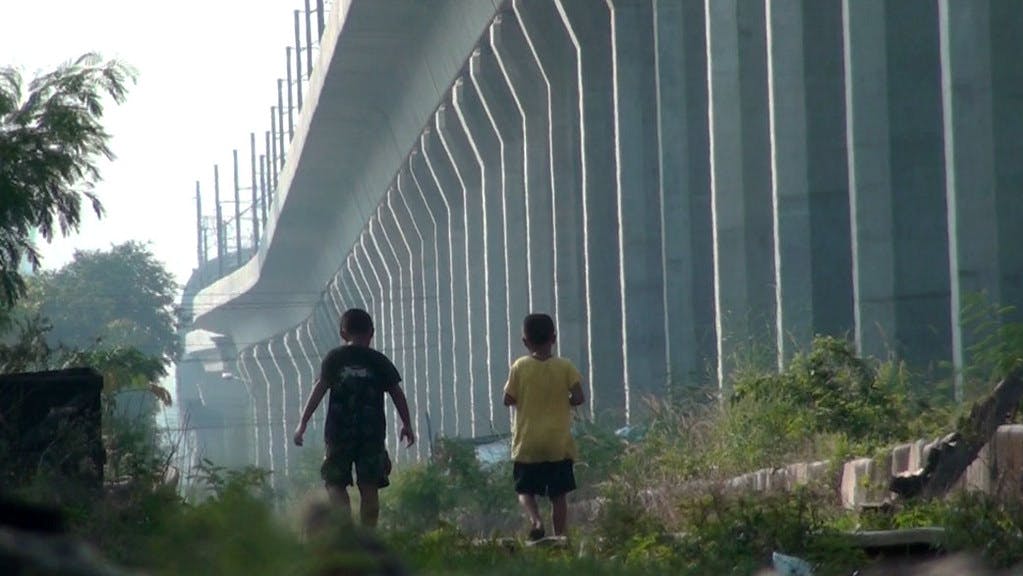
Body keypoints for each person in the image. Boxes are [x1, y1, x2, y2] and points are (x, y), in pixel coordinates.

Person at [293, 307, 415, 528]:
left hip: (339, 434)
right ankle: (368, 538)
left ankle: (346, 533)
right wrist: (406, 424)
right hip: (371, 436)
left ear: (342, 334)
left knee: (335, 483)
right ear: (371, 333)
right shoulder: (378, 361)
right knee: (369, 486)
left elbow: (319, 390)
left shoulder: (335, 359)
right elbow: (397, 393)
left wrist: (302, 423)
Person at [503, 313, 585, 541]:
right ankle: (560, 537)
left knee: (524, 490)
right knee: (558, 495)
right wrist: (560, 400)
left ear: (525, 342)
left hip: (528, 443)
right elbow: (579, 397)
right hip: (558, 444)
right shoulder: (565, 366)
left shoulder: (519, 366)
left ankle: (536, 521)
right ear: (554, 338)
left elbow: (508, 399)